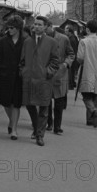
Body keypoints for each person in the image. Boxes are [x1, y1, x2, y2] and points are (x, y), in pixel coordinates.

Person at [19, 15, 59, 146]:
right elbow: (22, 60)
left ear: (46, 27)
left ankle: (40, 135)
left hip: (44, 80)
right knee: (30, 105)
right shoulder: (27, 42)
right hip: (29, 78)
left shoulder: (52, 42)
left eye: (39, 25)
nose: (36, 27)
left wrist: (47, 72)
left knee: (43, 107)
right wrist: (23, 71)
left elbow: (55, 61)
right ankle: (36, 129)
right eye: (35, 24)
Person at [0, 15, 25, 140]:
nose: (9, 30)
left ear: (18, 28)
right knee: (6, 102)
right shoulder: (3, 41)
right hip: (5, 75)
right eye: (8, 27)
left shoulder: (25, 41)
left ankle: (14, 130)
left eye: (11, 28)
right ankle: (12, 121)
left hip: (18, 76)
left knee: (16, 103)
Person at [77, 19, 97, 128]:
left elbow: (80, 58)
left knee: (86, 96)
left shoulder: (83, 41)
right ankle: (90, 119)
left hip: (87, 71)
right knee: (95, 95)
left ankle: (93, 111)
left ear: (87, 29)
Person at [45, 23, 74, 134]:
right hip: (46, 72)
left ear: (49, 26)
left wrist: (66, 64)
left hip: (60, 73)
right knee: (46, 100)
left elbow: (71, 54)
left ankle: (57, 126)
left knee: (59, 101)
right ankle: (49, 123)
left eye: (44, 26)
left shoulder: (63, 38)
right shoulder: (40, 39)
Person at [65, 25, 80, 90]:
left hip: (73, 57)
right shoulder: (74, 37)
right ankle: (73, 83)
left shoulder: (71, 39)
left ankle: (71, 85)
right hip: (74, 56)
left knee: (71, 72)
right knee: (72, 72)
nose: (65, 31)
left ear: (69, 31)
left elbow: (72, 50)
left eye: (66, 30)